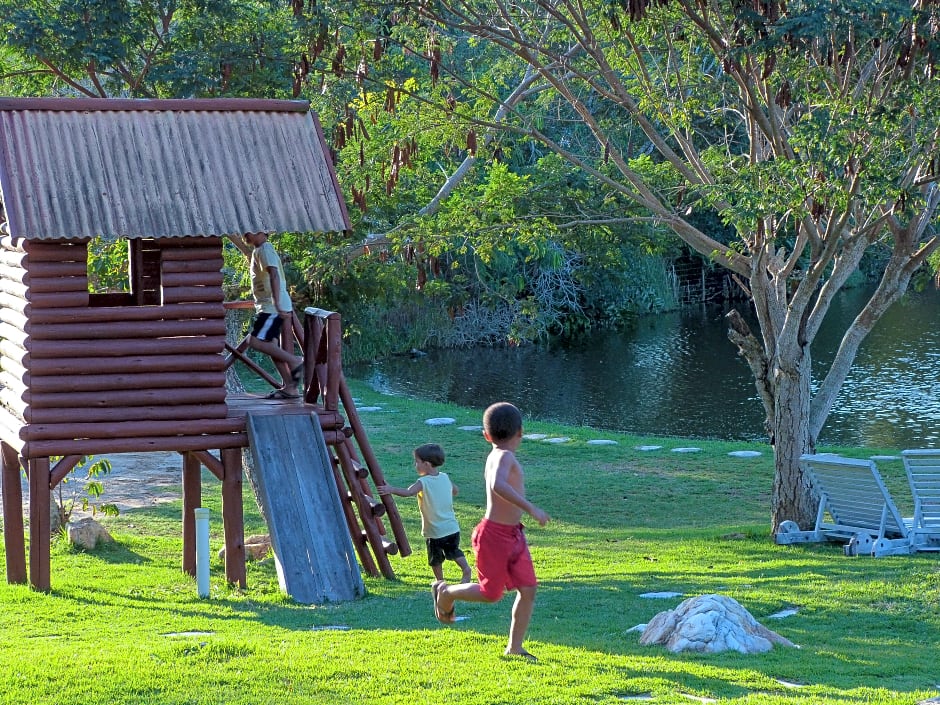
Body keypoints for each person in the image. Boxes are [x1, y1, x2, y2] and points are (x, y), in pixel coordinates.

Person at [431, 402, 550, 661]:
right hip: (494, 537)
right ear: (521, 432)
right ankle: (446, 592)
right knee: (490, 594)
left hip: (513, 535)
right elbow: (498, 485)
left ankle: (515, 648)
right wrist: (531, 508)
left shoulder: (498, 454)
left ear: (487, 435)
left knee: (528, 588)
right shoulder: (504, 457)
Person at [376, 443, 472, 583]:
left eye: (417, 462)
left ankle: (440, 581)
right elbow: (455, 490)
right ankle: (466, 569)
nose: (415, 465)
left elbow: (409, 492)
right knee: (453, 551)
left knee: (435, 558)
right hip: (452, 527)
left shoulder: (423, 482)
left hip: (435, 530)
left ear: (426, 464)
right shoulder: (444, 477)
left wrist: (390, 489)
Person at [239, 231, 304, 399]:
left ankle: (295, 360)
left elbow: (273, 274)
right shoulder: (259, 250)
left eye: (250, 230)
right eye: (244, 231)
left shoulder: (265, 249)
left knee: (253, 341)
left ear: (263, 232)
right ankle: (291, 388)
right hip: (270, 305)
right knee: (272, 349)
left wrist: (276, 302)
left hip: (271, 307)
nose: (245, 234)